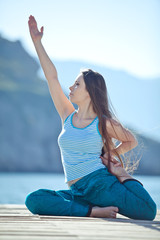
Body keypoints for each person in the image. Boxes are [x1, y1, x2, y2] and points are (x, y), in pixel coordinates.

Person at [25, 15, 157, 220]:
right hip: (78, 192)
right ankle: (93, 211)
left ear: (90, 92)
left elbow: (130, 139)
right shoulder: (67, 115)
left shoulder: (103, 122)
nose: (71, 87)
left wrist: (113, 160)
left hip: (101, 185)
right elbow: (52, 78)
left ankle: (118, 182)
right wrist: (37, 43)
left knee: (147, 210)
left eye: (77, 84)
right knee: (34, 200)